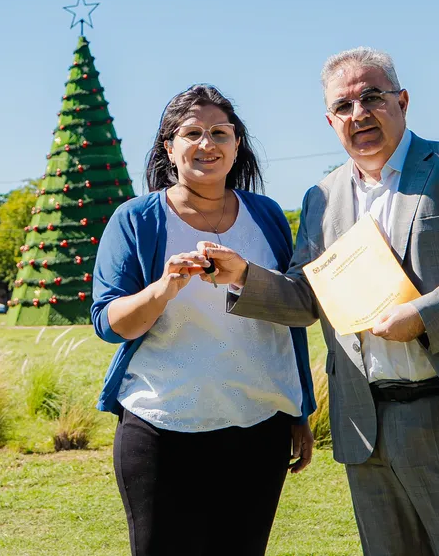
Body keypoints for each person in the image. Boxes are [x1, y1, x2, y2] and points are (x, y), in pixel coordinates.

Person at [201, 48, 439, 556]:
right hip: (365, 424)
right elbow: (308, 296)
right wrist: (243, 277)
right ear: (330, 120)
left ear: (402, 101)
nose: (360, 114)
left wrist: (423, 316)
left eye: (372, 97)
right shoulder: (322, 196)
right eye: (345, 106)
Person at [91, 84, 316, 556]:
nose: (206, 143)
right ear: (169, 148)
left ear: (237, 146)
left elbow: (290, 312)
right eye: (191, 132)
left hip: (259, 431)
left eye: (219, 132)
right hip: (161, 431)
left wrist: (299, 410)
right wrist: (163, 288)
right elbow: (110, 324)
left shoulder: (268, 216)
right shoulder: (136, 219)